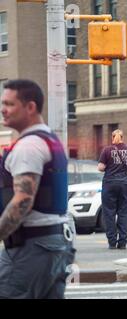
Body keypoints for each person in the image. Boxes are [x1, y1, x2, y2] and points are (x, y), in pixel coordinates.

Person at [0, 79, 75, 299]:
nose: (3, 110)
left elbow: (23, 200)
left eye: (9, 104)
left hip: (33, 246)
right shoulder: (48, 139)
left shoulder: (29, 146)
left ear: (30, 107)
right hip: (53, 243)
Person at [98, 129, 127, 250]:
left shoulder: (107, 150)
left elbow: (101, 167)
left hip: (109, 183)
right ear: (122, 137)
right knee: (123, 212)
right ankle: (123, 242)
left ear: (112, 137)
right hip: (124, 183)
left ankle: (112, 242)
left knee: (109, 212)